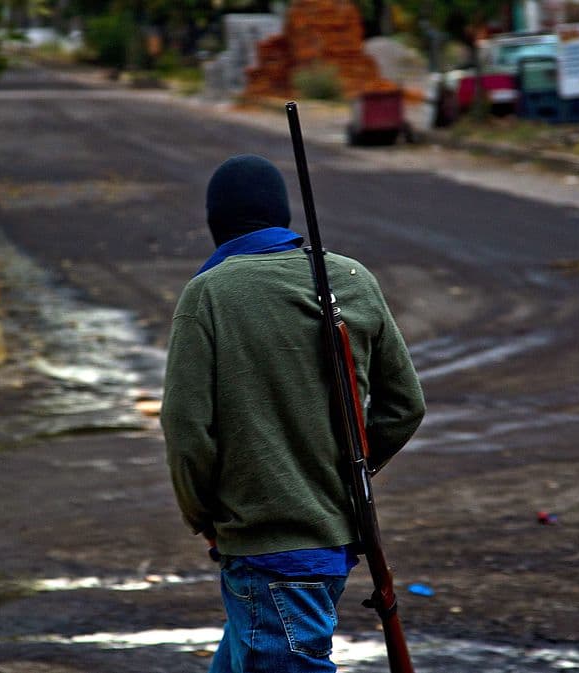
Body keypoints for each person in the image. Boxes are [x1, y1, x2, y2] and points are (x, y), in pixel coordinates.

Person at [162, 154, 425, 673]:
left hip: (266, 550)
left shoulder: (209, 295)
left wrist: (204, 518)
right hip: (331, 542)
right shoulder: (352, 278)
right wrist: (350, 471)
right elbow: (404, 406)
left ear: (216, 225)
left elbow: (187, 432)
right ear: (283, 218)